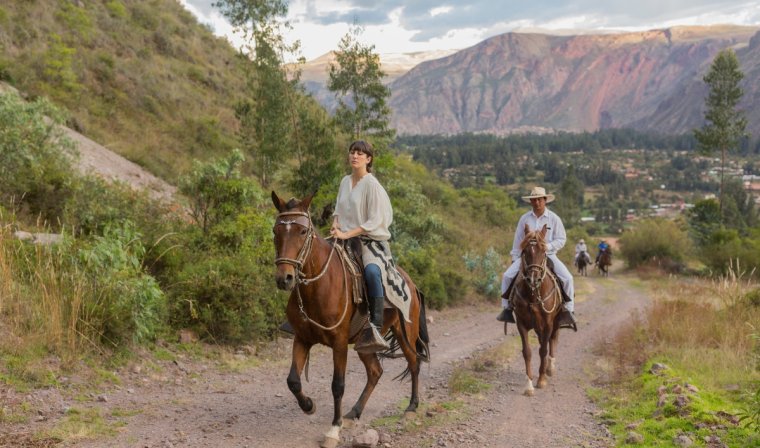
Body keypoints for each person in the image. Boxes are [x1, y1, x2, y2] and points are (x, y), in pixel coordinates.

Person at [330, 140, 406, 353]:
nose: (354, 156)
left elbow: (374, 221)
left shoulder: (373, 185)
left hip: (369, 242)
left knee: (372, 272)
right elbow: (339, 209)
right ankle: (303, 317)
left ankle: (375, 326)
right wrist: (336, 224)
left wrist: (347, 233)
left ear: (368, 159)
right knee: (312, 259)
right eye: (352, 152)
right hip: (343, 238)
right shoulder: (345, 181)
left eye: (360, 153)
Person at [496, 186, 577, 329]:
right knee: (507, 276)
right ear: (531, 202)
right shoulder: (524, 219)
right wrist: (515, 259)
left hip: (548, 255)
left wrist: (549, 246)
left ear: (545, 200)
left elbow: (561, 239)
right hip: (527, 256)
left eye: (540, 199)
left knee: (568, 278)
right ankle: (507, 309)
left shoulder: (554, 219)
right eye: (534, 200)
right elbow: (518, 241)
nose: (537, 202)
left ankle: (568, 310)